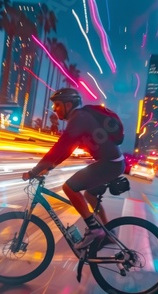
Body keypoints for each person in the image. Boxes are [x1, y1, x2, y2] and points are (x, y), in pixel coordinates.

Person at [22, 88, 125, 249]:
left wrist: (33, 172)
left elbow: (59, 148)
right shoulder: (81, 118)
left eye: (57, 105)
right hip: (113, 163)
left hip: (110, 164)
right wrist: (49, 168)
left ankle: (95, 230)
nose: (54, 109)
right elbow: (66, 151)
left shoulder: (78, 119)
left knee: (69, 187)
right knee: (89, 195)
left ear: (68, 104)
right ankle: (109, 233)